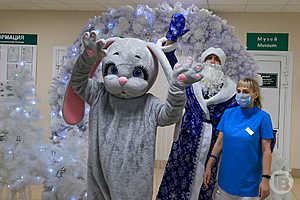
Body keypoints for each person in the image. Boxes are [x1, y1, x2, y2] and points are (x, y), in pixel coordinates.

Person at [157, 14, 238, 200]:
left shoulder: (231, 92)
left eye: (216, 59)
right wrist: (171, 39)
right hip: (186, 142)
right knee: (177, 184)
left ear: (222, 64)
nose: (212, 62)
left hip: (213, 147)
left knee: (206, 184)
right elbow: (173, 66)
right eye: (209, 58)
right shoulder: (190, 82)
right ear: (203, 61)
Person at [203, 78, 274, 200]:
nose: (241, 95)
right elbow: (219, 143)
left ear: (255, 94)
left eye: (246, 92)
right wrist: (209, 166)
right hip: (226, 179)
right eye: (239, 91)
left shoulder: (263, 118)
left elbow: (267, 150)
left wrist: (266, 179)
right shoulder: (228, 114)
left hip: (250, 184)